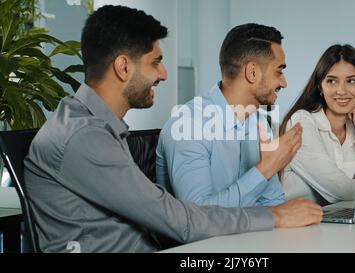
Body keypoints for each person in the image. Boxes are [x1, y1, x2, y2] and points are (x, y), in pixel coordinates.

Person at [24, 5, 323, 253]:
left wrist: (274, 202)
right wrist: (271, 209)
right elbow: (181, 222)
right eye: (156, 62)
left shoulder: (98, 127)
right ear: (123, 67)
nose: (165, 75)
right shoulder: (84, 136)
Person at [156, 23, 300, 207]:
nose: (284, 82)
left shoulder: (259, 123)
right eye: (279, 71)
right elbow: (198, 217)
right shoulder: (189, 125)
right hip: (204, 236)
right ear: (252, 72)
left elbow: (272, 203)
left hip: (247, 235)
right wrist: (266, 169)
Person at [279, 44, 355, 205]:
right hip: (289, 224)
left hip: (330, 220)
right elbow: (341, 190)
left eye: (351, 81)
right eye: (332, 81)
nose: (341, 90)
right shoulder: (301, 122)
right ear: (320, 86)